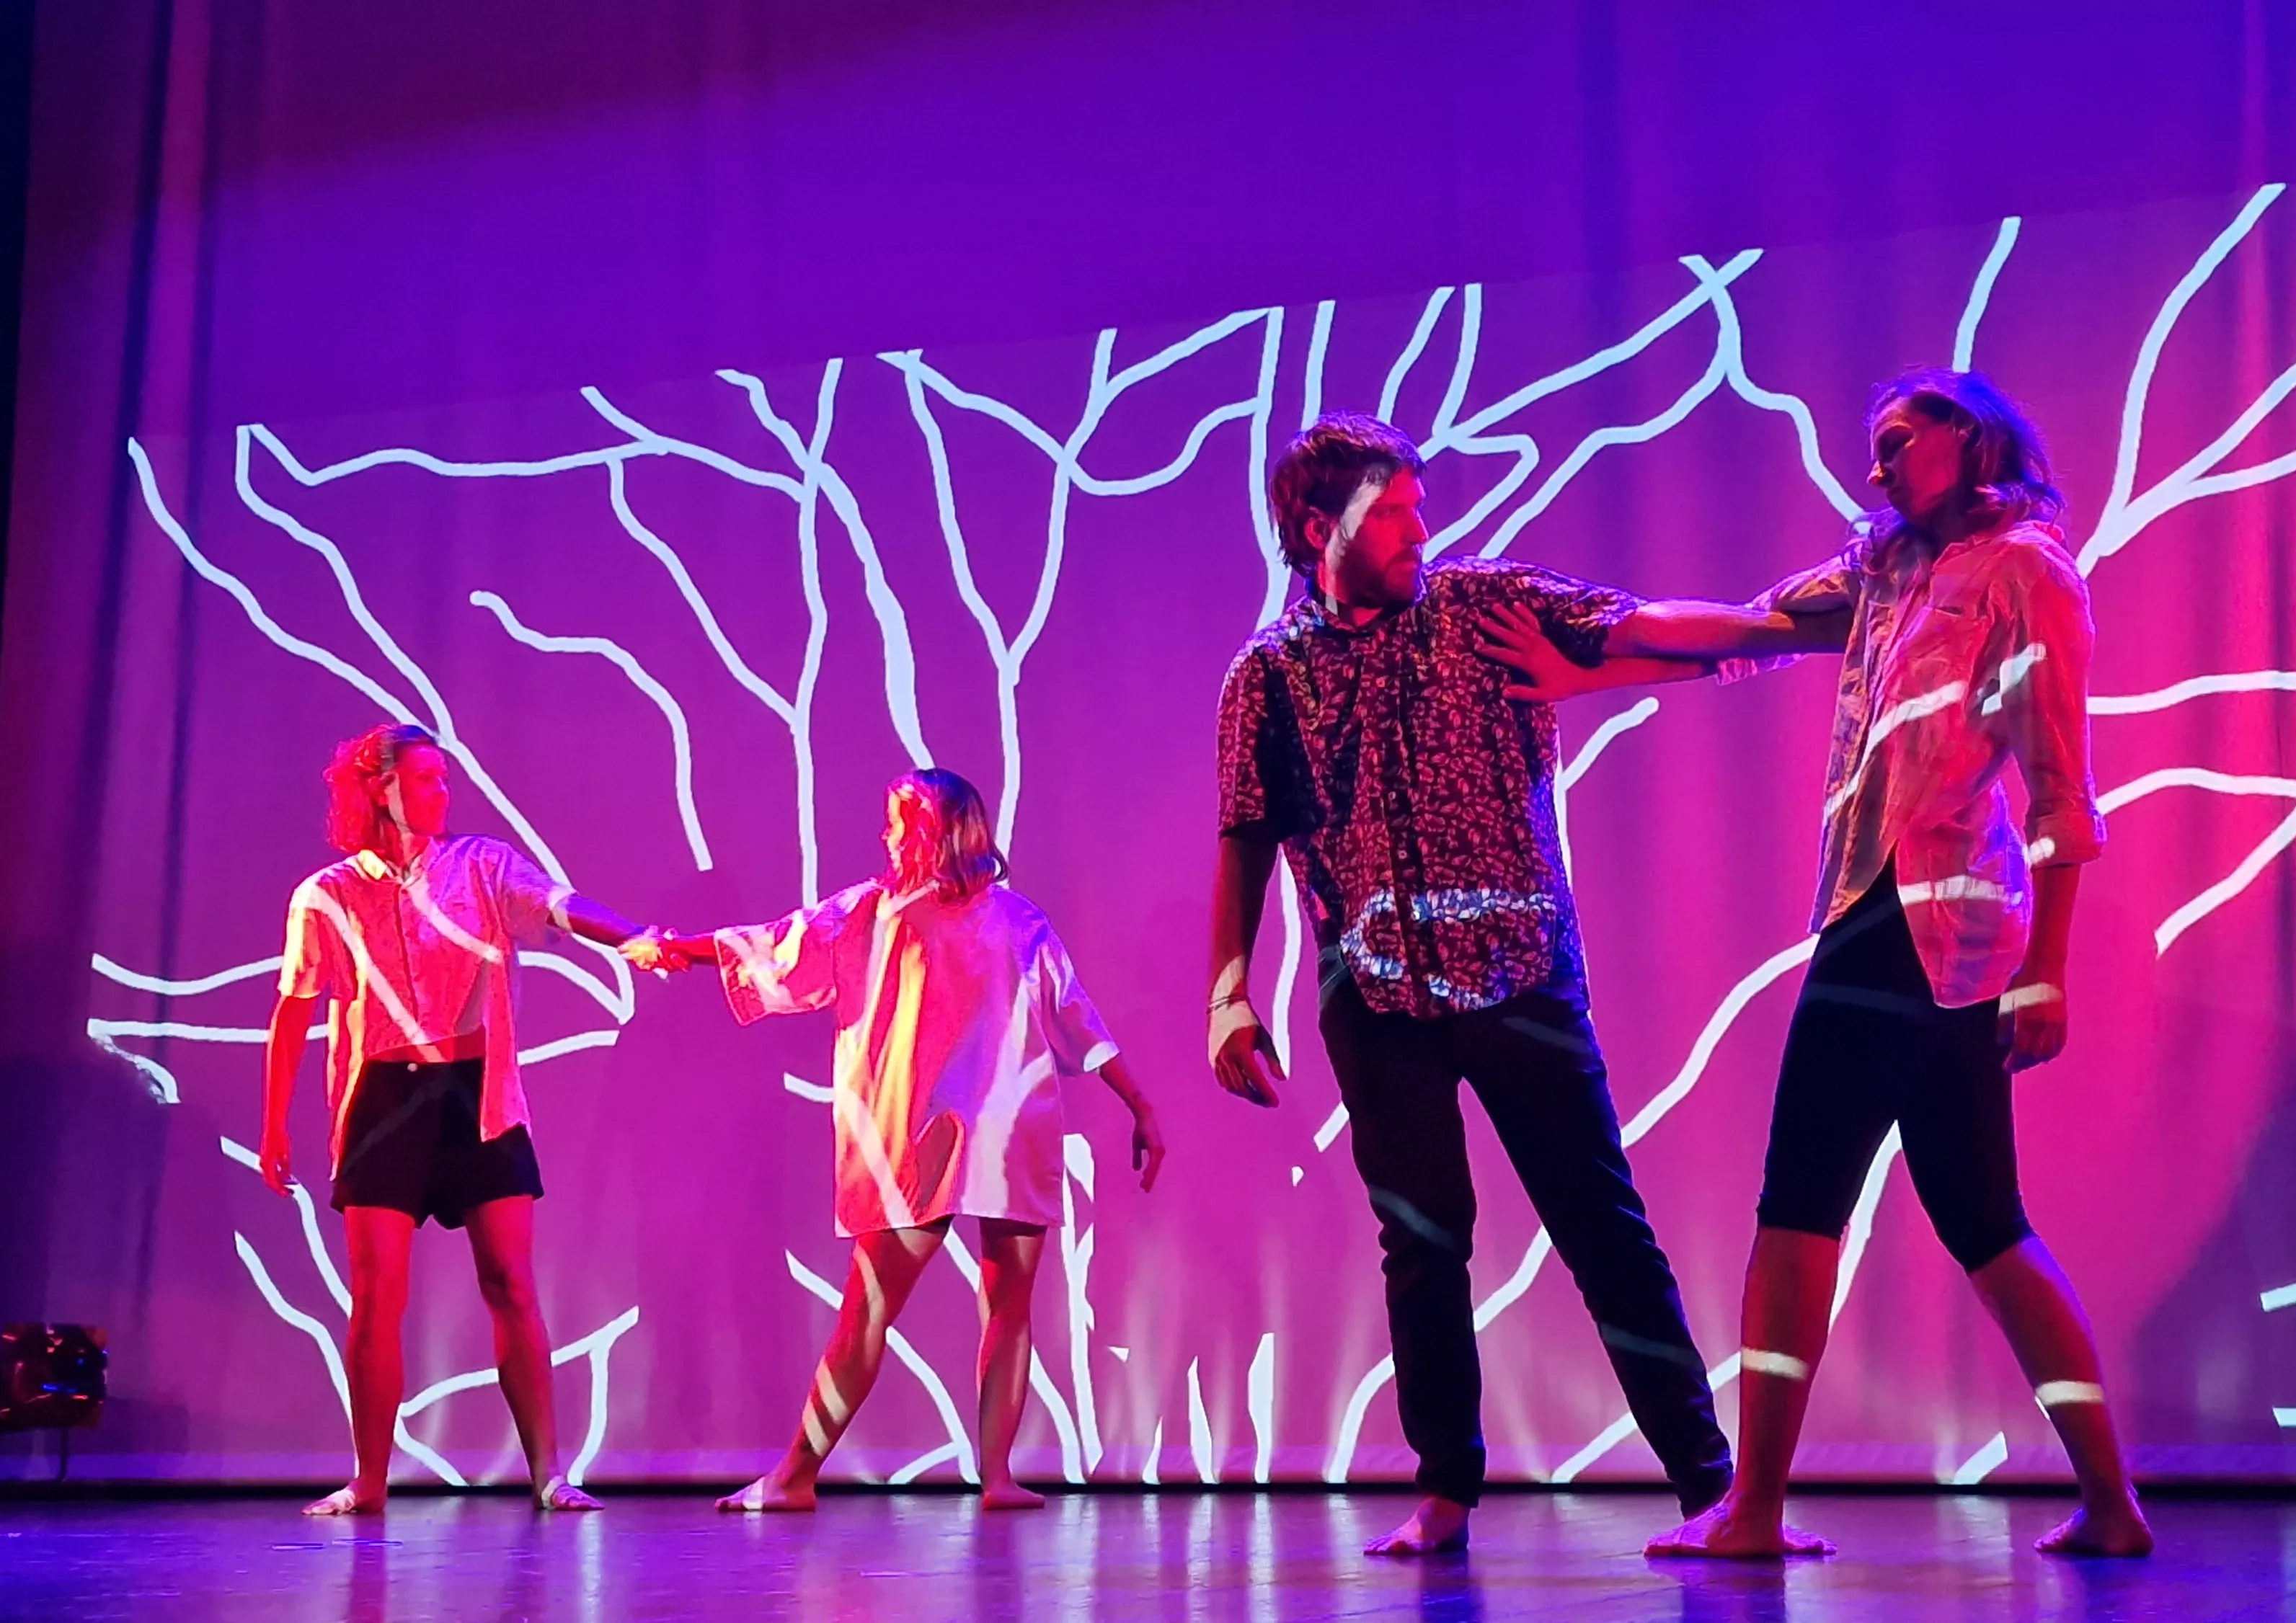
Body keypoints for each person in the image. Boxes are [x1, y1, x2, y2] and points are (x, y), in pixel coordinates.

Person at [1479, 368, 2155, 1559]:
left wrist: (2049, 965)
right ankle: (2111, 1503)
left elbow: (2062, 784)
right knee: (1987, 1221)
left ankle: (1754, 1507)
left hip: (1914, 919)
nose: (1877, 465)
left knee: (1799, 1205)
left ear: (1967, 435)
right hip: (1889, 921)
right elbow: (1750, 628)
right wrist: (1596, 667)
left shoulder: (2031, 572)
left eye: (1897, 440)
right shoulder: (1887, 573)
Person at [1209, 412, 1734, 1557]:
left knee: (1601, 1225)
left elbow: (1631, 623)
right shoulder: (1268, 678)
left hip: (1517, 972)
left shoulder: (1479, 605)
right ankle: (1445, 1487)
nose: (1418, 530)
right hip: (1376, 994)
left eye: (1417, 508)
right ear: (1318, 527)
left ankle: (1710, 1485)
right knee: (1422, 1242)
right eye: (1391, 514)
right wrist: (1228, 991)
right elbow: (1245, 836)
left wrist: (1782, 628)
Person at [624, 768, 1163, 1512]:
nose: (885, 834)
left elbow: (1075, 1014)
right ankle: (797, 1472)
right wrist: (678, 950)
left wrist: (1140, 1103)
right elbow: (771, 946)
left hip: (995, 1128)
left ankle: (981, 1475)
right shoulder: (871, 913)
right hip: (932, 1135)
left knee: (997, 1301)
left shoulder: (998, 918)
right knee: (879, 1306)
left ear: (944, 830)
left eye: (899, 819)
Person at [259, 721, 655, 1515]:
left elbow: (559, 904)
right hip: (384, 1100)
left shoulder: (481, 865)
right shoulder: (328, 895)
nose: (443, 791)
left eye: (445, 778)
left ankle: (548, 1471)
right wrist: (274, 1125)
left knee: (510, 1280)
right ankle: (368, 1480)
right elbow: (294, 1008)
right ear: (381, 788)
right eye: (428, 778)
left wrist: (635, 939)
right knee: (377, 1296)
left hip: (478, 1094)